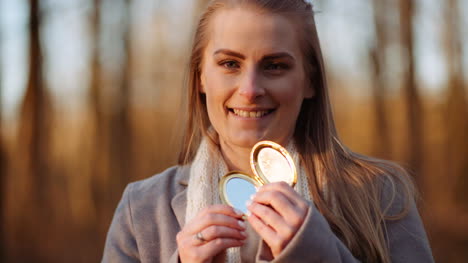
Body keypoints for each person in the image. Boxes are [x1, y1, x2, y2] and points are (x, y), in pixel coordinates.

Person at [102, 0, 434, 262]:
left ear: (310, 81)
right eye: (230, 64)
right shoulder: (142, 208)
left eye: (275, 66)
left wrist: (319, 257)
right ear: (200, 77)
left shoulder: (379, 194)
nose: (249, 89)